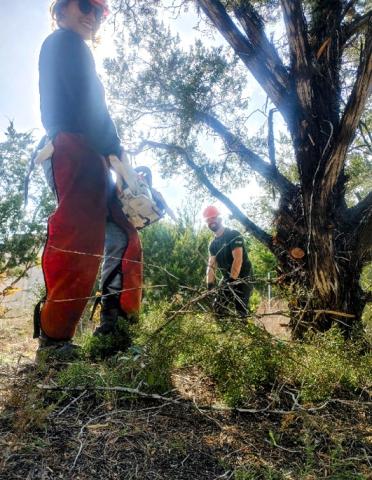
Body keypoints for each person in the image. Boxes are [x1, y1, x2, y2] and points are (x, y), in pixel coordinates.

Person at [35, 0, 142, 360]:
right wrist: (117, 153)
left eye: (98, 12)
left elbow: (93, 107)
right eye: (84, 5)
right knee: (79, 240)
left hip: (91, 151)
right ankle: (54, 342)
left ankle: (115, 332)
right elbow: (89, 105)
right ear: (61, 11)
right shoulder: (64, 43)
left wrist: (113, 156)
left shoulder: (74, 47)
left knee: (123, 235)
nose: (91, 15)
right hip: (73, 147)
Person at [203, 205, 252, 318]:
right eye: (208, 220)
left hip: (244, 276)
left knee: (240, 310)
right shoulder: (213, 244)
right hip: (227, 278)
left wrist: (231, 281)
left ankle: (244, 330)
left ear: (219, 218)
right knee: (218, 307)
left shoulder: (233, 235)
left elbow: (238, 259)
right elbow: (211, 266)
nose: (211, 221)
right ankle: (225, 332)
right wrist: (210, 286)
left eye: (213, 217)